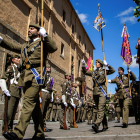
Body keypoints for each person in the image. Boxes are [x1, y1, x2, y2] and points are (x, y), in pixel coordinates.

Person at [0, 23, 57, 140]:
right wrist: (1, 40)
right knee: (35, 107)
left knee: (28, 102)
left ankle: (18, 133)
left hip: (36, 77)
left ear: (38, 31)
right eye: (29, 28)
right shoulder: (25, 45)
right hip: (26, 77)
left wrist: (45, 35)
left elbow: (54, 48)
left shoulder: (42, 44)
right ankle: (40, 133)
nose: (29, 30)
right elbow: (12, 46)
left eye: (32, 29)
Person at [82, 59, 115, 133]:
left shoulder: (104, 71)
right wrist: (83, 66)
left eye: (97, 62)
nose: (96, 63)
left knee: (100, 108)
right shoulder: (94, 72)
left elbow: (113, 71)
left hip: (102, 91)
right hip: (95, 92)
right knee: (100, 109)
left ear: (101, 64)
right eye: (96, 62)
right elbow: (85, 72)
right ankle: (105, 125)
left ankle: (96, 124)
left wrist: (108, 65)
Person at [0, 54, 21, 137]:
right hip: (12, 91)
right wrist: (5, 90)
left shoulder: (18, 69)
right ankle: (5, 129)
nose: (18, 59)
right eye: (17, 58)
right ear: (13, 60)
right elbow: (3, 78)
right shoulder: (11, 68)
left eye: (19, 58)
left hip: (17, 92)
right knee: (8, 112)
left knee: (13, 113)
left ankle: (10, 129)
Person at [41, 63, 53, 132]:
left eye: (49, 68)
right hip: (43, 92)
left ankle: (44, 125)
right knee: (42, 110)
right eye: (47, 68)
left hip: (48, 93)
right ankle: (40, 126)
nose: (48, 69)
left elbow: (51, 87)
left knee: (45, 111)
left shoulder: (50, 77)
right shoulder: (43, 75)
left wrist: (51, 96)